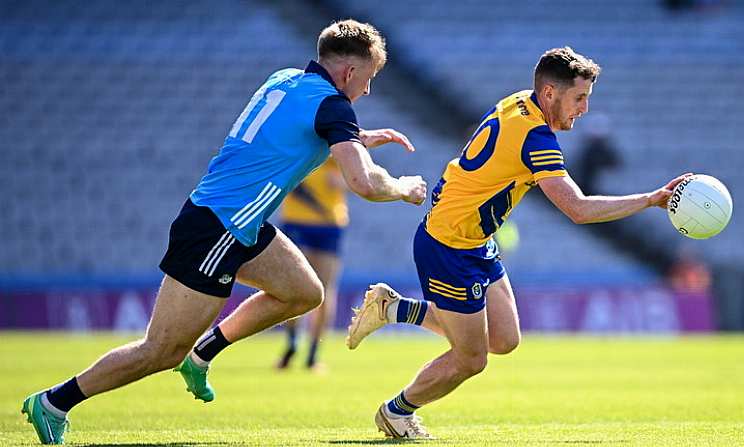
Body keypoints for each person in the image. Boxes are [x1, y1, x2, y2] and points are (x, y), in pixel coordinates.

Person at [22, 19, 426, 445]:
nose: (367, 91)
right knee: (161, 349)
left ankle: (203, 354)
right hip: (218, 229)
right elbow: (363, 183)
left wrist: (358, 136)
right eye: (369, 79)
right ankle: (53, 402)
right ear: (349, 73)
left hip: (234, 221)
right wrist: (404, 188)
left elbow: (290, 129)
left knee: (305, 292)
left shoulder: (286, 80)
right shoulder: (334, 107)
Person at [346, 46, 691, 439]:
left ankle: (394, 308)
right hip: (448, 246)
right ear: (549, 94)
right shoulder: (536, 136)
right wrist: (650, 200)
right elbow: (576, 208)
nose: (584, 109)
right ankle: (396, 411)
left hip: (475, 239)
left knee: (505, 339)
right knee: (471, 358)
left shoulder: (519, 101)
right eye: (579, 98)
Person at [276, 159, 348, 371]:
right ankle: (291, 342)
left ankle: (313, 354)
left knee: (325, 289)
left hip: (329, 224)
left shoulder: (340, 139)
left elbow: (356, 180)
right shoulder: (298, 138)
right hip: (296, 222)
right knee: (294, 285)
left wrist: (342, 181)